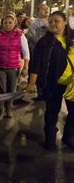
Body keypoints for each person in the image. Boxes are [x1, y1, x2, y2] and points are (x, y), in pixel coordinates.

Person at [27, 11, 74, 151]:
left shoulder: (73, 38)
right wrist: (31, 83)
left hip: (72, 84)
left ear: (65, 21)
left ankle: (68, 137)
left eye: (56, 21)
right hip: (52, 83)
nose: (53, 24)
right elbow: (36, 63)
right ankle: (50, 139)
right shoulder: (44, 42)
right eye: (51, 21)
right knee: (52, 111)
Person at [0, 12, 30, 120]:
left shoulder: (20, 35)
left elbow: (26, 52)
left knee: (11, 90)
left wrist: (25, 67)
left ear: (15, 23)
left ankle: (9, 109)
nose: (7, 24)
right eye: (5, 22)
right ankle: (0, 110)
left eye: (10, 22)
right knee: (1, 90)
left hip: (14, 67)